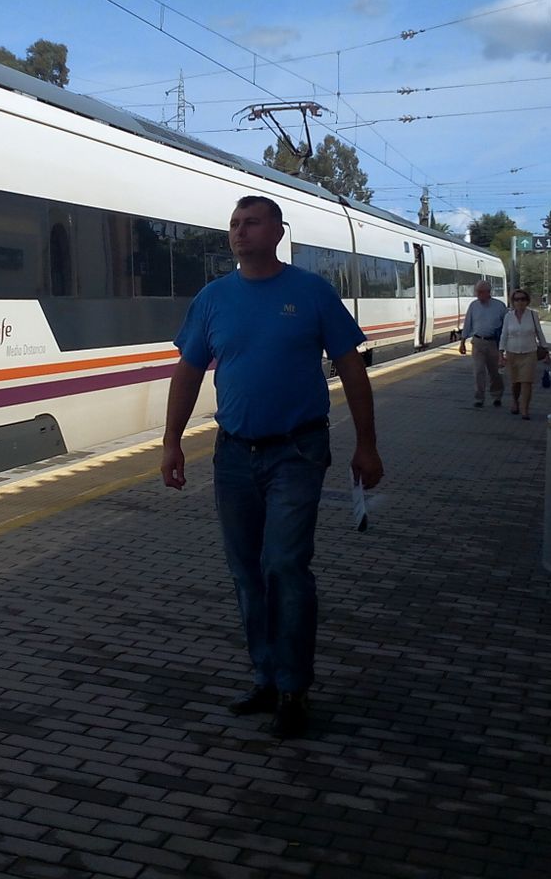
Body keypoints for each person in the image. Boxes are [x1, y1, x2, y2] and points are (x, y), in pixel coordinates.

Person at [160, 194, 383, 741]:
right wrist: (171, 442)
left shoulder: (311, 292)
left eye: (252, 222)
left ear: (279, 232)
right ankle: (265, 675)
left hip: (297, 451)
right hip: (234, 454)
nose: (240, 231)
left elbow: (352, 368)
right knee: (246, 572)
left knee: (284, 565)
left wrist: (367, 445)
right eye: (234, 224)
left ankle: (293, 687)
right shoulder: (213, 299)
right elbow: (188, 373)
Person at [498, 288, 548, 420]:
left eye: (522, 299)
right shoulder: (508, 316)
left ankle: (524, 409)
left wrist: (546, 350)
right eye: (516, 299)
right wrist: (501, 353)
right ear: (513, 302)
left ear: (527, 301)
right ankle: (515, 401)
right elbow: (504, 335)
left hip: (529, 353)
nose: (520, 302)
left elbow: (539, 332)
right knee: (515, 382)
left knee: (527, 382)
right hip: (512, 353)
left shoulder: (533, 315)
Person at [458, 279, 506, 408]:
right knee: (478, 371)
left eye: (480, 292)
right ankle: (479, 398)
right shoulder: (473, 306)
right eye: (477, 292)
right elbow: (468, 323)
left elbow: (506, 326)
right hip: (478, 342)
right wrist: (462, 341)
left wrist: (504, 346)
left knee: (494, 372)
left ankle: (497, 395)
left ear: (488, 292)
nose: (477, 295)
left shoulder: (500, 306)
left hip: (494, 343)